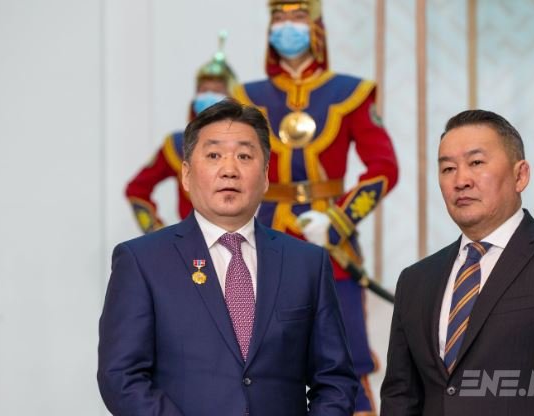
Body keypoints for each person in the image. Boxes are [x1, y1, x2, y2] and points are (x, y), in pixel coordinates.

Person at [98, 99, 359, 415]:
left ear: (265, 176)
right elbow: (121, 377)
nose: (230, 170)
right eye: (213, 155)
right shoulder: (142, 261)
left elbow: (334, 379)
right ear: (186, 174)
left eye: (244, 156)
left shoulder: (306, 263)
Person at [380, 109, 534, 415]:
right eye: (448, 168)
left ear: (520, 175)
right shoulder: (416, 280)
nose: (461, 180)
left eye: (476, 163)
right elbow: (400, 395)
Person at [232, 2, 398, 413]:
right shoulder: (246, 98)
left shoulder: (351, 93)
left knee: (348, 356)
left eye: (298, 18)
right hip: (262, 239)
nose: (287, 27)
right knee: (257, 357)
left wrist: (337, 220)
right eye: (279, 18)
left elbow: (384, 167)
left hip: (331, 246)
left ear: (317, 27)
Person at [125, 35, 237, 233]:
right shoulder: (178, 146)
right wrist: (156, 232)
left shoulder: (252, 145)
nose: (209, 96)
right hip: (194, 243)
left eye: (217, 90)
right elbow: (137, 189)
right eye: (203, 90)